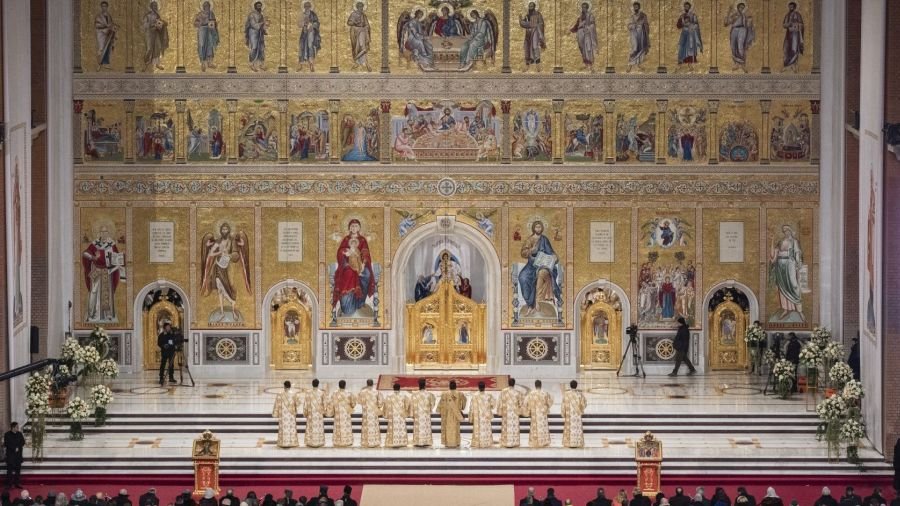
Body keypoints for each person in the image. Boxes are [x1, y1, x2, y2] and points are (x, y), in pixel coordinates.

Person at [723, 2, 754, 72]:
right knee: (733, 46)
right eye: (740, 7)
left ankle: (743, 64)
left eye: (743, 8)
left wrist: (750, 23)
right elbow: (726, 23)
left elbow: (748, 25)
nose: (741, 9)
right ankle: (736, 64)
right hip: (734, 30)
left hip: (742, 30)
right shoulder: (735, 15)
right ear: (738, 8)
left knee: (740, 46)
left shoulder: (745, 16)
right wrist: (729, 12)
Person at [523, 379, 553, 447]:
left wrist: (529, 410)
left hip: (535, 414)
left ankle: (535, 441)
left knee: (535, 428)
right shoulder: (545, 393)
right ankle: (543, 441)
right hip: (542, 414)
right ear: (541, 385)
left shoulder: (531, 393)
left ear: (535, 385)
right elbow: (550, 402)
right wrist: (546, 408)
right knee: (542, 427)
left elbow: (525, 402)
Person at [437, 380, 467, 448]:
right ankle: (456, 442)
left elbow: (441, 404)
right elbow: (464, 400)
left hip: (447, 415)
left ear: (449, 386)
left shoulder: (444, 394)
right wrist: (461, 408)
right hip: (456, 414)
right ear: (456, 386)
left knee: (448, 428)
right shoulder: (460, 394)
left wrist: (441, 411)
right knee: (455, 428)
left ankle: (447, 442)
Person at [327, 380, 357, 448]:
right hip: (346, 415)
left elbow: (331, 404)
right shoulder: (349, 393)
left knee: (338, 427)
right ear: (345, 385)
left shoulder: (334, 393)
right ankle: (347, 441)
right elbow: (353, 404)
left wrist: (331, 412)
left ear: (339, 385)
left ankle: (338, 441)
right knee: (346, 427)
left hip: (338, 415)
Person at [141, 1, 169, 71]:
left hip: (156, 33)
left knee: (157, 47)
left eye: (156, 6)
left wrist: (163, 24)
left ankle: (157, 63)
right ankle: (146, 63)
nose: (155, 7)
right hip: (149, 34)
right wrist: (153, 25)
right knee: (149, 48)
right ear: (151, 7)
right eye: (154, 6)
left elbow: (160, 24)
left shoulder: (157, 16)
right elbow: (145, 25)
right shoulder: (147, 16)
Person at [272, 380, 301, 448]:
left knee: (284, 428)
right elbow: (298, 403)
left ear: (284, 386)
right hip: (291, 414)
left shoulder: (280, 394)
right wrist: (294, 408)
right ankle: (292, 442)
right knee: (291, 428)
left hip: (283, 415)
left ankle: (283, 442)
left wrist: (275, 413)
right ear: (290, 386)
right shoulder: (294, 394)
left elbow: (276, 404)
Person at [571, 2, 598, 72]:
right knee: (582, 48)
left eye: (584, 7)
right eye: (582, 7)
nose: (583, 9)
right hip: (580, 35)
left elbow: (592, 25)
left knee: (588, 48)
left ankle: (590, 65)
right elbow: (577, 25)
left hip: (587, 34)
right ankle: (586, 64)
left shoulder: (590, 16)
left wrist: (588, 28)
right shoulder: (580, 17)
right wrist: (571, 30)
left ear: (587, 8)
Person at [409, 378, 436, 447]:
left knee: (418, 428)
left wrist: (412, 414)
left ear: (419, 385)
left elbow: (411, 405)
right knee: (426, 427)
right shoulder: (429, 394)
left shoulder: (414, 395)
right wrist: (429, 409)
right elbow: (432, 404)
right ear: (425, 385)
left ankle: (418, 441)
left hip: (418, 415)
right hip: (425, 415)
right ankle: (426, 441)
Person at [468, 381, 496, 448]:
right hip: (486, 416)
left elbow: (471, 407)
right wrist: (488, 408)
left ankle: (478, 443)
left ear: (478, 387)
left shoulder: (475, 396)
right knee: (486, 429)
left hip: (478, 417)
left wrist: (471, 417)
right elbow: (493, 405)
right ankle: (486, 443)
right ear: (484, 387)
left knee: (478, 430)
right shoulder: (488, 395)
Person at [519, 2, 545, 72]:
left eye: (531, 6)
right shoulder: (527, 15)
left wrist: (536, 26)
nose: (530, 8)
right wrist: (521, 20)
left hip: (535, 32)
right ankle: (529, 64)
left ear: (534, 7)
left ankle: (538, 64)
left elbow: (541, 24)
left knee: (534, 46)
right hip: (528, 33)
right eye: (529, 6)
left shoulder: (538, 14)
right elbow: (523, 24)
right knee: (527, 47)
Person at [497, 377, 523, 447]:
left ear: (508, 383)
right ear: (514, 384)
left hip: (506, 413)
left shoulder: (503, 391)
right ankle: (514, 442)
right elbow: (521, 404)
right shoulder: (518, 393)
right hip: (514, 413)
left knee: (506, 427)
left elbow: (500, 402)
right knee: (514, 427)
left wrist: (500, 411)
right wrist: (520, 412)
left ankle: (506, 442)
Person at [675, 2, 702, 69]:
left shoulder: (693, 15)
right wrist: (682, 23)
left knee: (690, 48)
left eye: (687, 7)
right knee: (682, 47)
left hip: (690, 34)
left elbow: (696, 24)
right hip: (684, 33)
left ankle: (690, 64)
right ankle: (680, 63)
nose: (686, 8)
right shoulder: (682, 16)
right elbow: (678, 26)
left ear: (690, 7)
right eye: (685, 7)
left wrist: (691, 25)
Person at [193, 1, 219, 71]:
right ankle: (203, 63)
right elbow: (195, 23)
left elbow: (214, 22)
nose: (207, 8)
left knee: (210, 45)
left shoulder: (211, 14)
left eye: (208, 6)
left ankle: (209, 62)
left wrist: (214, 24)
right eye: (206, 6)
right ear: (203, 7)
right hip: (202, 30)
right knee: (202, 45)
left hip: (210, 30)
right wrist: (201, 22)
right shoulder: (200, 14)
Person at [561, 380, 587, 448]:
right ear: (576, 386)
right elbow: (584, 404)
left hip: (569, 416)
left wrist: (563, 413)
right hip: (577, 416)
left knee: (569, 429)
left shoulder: (566, 394)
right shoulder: (580, 394)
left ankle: (569, 443)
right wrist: (580, 410)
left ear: (570, 385)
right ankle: (577, 443)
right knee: (577, 429)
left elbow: (563, 405)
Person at [358, 379, 383, 448]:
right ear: (372, 384)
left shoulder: (362, 392)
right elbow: (380, 403)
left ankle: (366, 442)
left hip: (366, 413)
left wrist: (365, 405)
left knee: (366, 426)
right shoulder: (377, 392)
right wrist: (377, 406)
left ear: (367, 384)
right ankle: (375, 441)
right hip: (374, 413)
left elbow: (359, 401)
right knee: (374, 426)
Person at [383, 383, 410, 447]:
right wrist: (406, 412)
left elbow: (386, 406)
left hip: (392, 416)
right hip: (401, 415)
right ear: (399, 388)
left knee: (393, 428)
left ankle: (392, 442)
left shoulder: (389, 396)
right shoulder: (404, 396)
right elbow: (407, 405)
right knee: (401, 428)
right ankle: (401, 442)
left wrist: (386, 414)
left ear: (393, 388)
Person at [347, 2, 371, 72]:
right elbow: (349, 22)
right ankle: (357, 61)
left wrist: (367, 27)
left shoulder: (363, 15)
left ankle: (364, 62)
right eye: (360, 7)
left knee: (363, 46)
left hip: (362, 32)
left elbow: (367, 24)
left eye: (362, 7)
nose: (361, 8)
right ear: (357, 7)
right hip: (355, 32)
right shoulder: (353, 14)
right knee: (356, 47)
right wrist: (355, 23)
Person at [244, 2, 268, 72]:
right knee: (254, 48)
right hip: (253, 33)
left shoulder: (261, 15)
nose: (259, 7)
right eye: (258, 6)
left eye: (260, 6)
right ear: (255, 7)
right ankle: (252, 64)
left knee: (261, 48)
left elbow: (262, 25)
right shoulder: (252, 15)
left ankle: (261, 64)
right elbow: (254, 25)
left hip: (260, 33)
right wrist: (263, 23)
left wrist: (265, 28)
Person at [626, 2, 650, 72]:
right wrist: (634, 25)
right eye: (634, 7)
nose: (635, 8)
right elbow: (629, 26)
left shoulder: (643, 15)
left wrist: (644, 28)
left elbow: (647, 25)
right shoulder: (632, 16)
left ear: (639, 7)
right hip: (634, 34)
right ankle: (630, 64)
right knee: (635, 49)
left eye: (636, 7)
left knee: (641, 49)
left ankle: (639, 64)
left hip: (642, 35)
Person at [304, 379, 327, 448]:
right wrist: (324, 412)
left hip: (311, 414)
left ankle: (310, 442)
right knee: (318, 427)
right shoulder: (322, 393)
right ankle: (319, 441)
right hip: (319, 414)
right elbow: (325, 404)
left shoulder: (308, 393)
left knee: (311, 427)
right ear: (318, 384)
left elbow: (305, 404)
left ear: (312, 384)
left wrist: (305, 412)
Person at [298, 1, 321, 72]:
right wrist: (303, 23)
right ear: (304, 7)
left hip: (311, 33)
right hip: (304, 33)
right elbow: (299, 24)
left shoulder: (313, 14)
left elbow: (317, 23)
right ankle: (301, 64)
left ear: (310, 7)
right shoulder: (302, 14)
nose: (307, 8)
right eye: (305, 6)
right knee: (302, 46)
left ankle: (311, 64)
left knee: (310, 46)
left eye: (308, 6)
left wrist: (311, 25)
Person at [781, 2, 804, 72]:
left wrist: (795, 25)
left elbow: (801, 24)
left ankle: (793, 66)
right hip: (788, 34)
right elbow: (784, 24)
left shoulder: (797, 14)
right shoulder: (787, 15)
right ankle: (786, 66)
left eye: (792, 6)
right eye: (789, 6)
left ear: (794, 7)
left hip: (795, 34)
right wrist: (788, 24)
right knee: (786, 49)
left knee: (794, 49)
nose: (790, 8)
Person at [3, 422, 25, 488]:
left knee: (18, 470)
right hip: (10, 455)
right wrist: (14, 448)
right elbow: (6, 443)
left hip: (18, 455)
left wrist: (18, 447)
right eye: (17, 427)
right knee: (9, 471)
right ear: (13, 427)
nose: (18, 428)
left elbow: (23, 442)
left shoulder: (20, 434)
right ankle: (9, 484)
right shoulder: (7, 434)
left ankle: (17, 483)